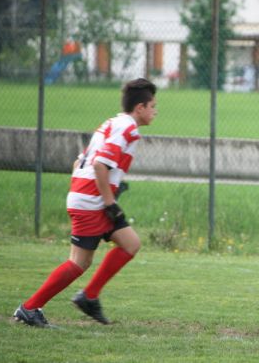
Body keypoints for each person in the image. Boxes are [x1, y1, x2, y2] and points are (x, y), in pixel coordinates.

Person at [13, 78, 158, 327]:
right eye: (153, 106)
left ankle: (87, 296)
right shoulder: (128, 129)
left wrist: (106, 188)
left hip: (87, 197)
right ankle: (31, 307)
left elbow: (80, 162)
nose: (155, 111)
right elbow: (100, 164)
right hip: (92, 201)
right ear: (140, 108)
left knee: (130, 244)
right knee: (79, 262)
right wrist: (109, 201)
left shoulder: (111, 123)